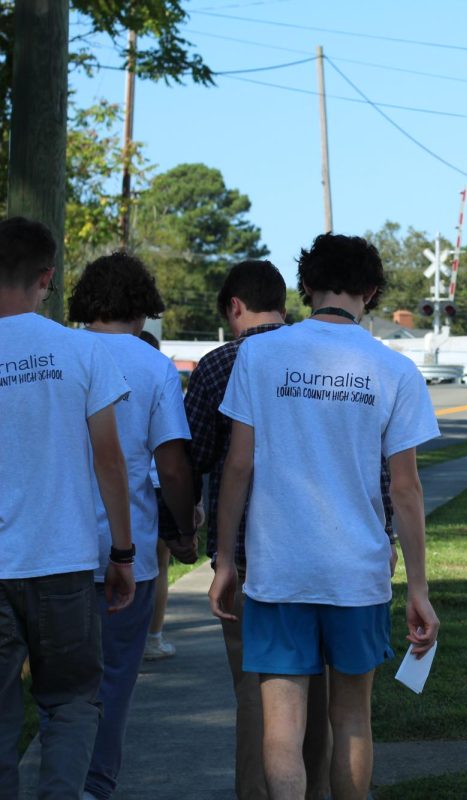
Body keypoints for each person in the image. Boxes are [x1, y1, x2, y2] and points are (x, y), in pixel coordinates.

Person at [209, 234, 440, 800]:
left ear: (306, 286)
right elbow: (406, 489)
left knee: (282, 730)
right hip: (356, 574)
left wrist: (222, 559)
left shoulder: (259, 355)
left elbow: (238, 466)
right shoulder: (394, 369)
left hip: (278, 568)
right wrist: (418, 586)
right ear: (372, 292)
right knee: (352, 721)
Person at [188, 260, 336, 800]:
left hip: (253, 552)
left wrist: (188, 530)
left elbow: (198, 456)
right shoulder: (316, 355)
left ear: (234, 306)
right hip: (325, 546)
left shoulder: (218, 365)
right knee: (321, 694)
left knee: (258, 695)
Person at [0, 217, 136, 798]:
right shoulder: (81, 350)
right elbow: (110, 460)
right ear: (47, 278)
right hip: (62, 562)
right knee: (73, 703)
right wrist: (124, 553)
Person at [68, 252, 197, 800]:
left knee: (60, 689)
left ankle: (59, 782)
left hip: (55, 547)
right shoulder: (154, 367)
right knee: (114, 681)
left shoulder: (60, 351)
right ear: (142, 306)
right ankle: (95, 785)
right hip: (131, 551)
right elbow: (170, 465)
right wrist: (186, 529)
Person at [139, 329, 199, 663]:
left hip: (125, 484)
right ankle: (153, 637)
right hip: (160, 483)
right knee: (159, 565)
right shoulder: (160, 377)